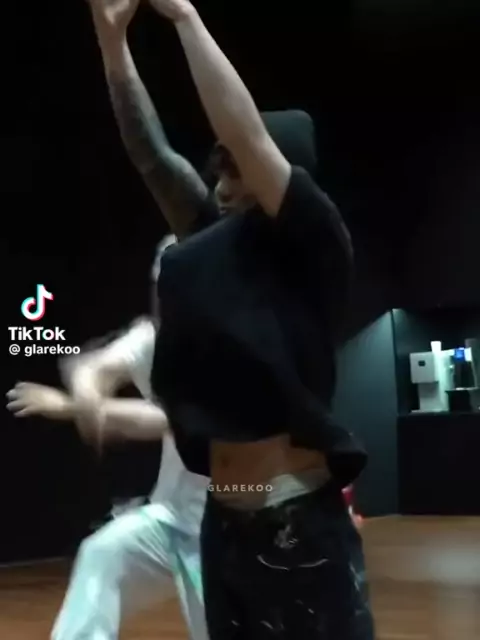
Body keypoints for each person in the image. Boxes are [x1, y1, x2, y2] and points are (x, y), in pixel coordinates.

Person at [138, 2, 374, 639]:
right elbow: (152, 156)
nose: (221, 185)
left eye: (237, 169)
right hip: (224, 524)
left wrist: (183, 17)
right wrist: (112, 44)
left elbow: (247, 134)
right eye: (218, 170)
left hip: (297, 522)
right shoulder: (216, 254)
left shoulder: (317, 244)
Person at [6, 241, 209, 640]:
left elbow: (178, 421)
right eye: (159, 288)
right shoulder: (152, 337)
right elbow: (94, 367)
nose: (165, 301)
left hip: (228, 528)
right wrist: (88, 389)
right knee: (104, 553)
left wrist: (69, 407)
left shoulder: (231, 350)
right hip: (171, 519)